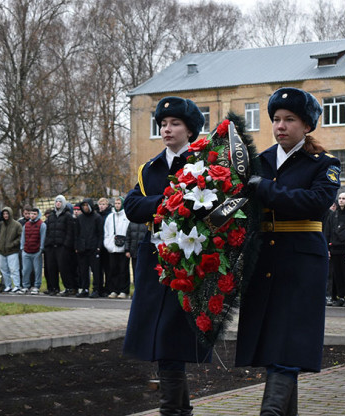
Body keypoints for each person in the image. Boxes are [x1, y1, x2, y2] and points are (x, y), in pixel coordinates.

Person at [235, 87, 341, 415]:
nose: (280, 125)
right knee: (274, 346)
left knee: (287, 343)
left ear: (307, 125)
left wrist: (265, 188)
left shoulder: (323, 164)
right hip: (264, 259)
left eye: (289, 119)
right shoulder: (259, 161)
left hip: (300, 264)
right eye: (276, 119)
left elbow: (315, 203)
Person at [123, 95, 210, 414]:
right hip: (155, 260)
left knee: (173, 340)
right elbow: (131, 206)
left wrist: (170, 206)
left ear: (190, 130)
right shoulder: (150, 168)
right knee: (161, 342)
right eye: (162, 124)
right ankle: (176, 411)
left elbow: (213, 207)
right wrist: (172, 202)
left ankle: (173, 411)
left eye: (175, 124)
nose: (167, 129)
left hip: (191, 259)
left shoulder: (205, 165)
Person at [324, 192, 345, 307]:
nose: (341, 200)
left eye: (344, 198)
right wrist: (327, 249)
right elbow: (327, 233)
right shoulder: (333, 215)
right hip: (335, 250)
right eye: (339, 198)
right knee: (337, 275)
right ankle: (341, 296)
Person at [44, 195, 75, 296]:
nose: (58, 203)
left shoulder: (67, 216)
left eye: (60, 202)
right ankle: (54, 287)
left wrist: (66, 245)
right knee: (51, 268)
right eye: (56, 201)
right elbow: (48, 230)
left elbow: (70, 232)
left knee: (64, 268)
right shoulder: (51, 216)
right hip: (51, 246)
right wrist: (47, 244)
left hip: (62, 247)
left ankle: (69, 287)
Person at [75, 198, 103, 298]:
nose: (85, 207)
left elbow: (100, 234)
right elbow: (77, 234)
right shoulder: (80, 218)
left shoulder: (97, 217)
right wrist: (77, 246)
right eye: (83, 206)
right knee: (83, 270)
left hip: (94, 247)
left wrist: (99, 247)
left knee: (96, 271)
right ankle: (84, 288)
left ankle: (96, 289)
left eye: (87, 205)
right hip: (82, 248)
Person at [103, 196, 130, 299]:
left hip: (123, 248)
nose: (117, 205)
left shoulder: (126, 216)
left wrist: (127, 247)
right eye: (116, 203)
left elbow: (128, 232)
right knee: (113, 270)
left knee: (123, 270)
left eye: (119, 203)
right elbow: (106, 232)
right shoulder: (110, 217)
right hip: (112, 248)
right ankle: (114, 289)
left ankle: (124, 290)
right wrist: (108, 244)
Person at [0, 206, 23, 293]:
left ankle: (17, 285)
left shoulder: (17, 225)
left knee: (14, 269)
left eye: (7, 213)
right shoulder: (0, 225)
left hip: (12, 251)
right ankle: (8, 285)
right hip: (2, 251)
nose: (5, 215)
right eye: (4, 214)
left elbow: (20, 237)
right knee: (3, 270)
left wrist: (12, 244)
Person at [20, 207, 46, 294]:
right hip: (26, 251)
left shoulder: (42, 225)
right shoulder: (26, 225)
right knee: (26, 270)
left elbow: (43, 237)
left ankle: (36, 286)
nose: (32, 215)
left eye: (34, 214)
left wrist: (41, 249)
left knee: (37, 270)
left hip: (36, 251)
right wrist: (22, 248)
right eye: (31, 214)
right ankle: (25, 286)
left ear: (38, 215)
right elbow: (23, 237)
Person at [125, 219, 148, 296]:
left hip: (144, 252)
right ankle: (136, 291)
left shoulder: (147, 223)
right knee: (135, 272)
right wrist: (127, 250)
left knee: (143, 273)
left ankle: (143, 291)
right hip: (134, 252)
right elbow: (128, 237)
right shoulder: (131, 223)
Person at [96, 197, 112, 298]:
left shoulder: (109, 215)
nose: (101, 206)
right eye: (100, 204)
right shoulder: (96, 215)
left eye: (103, 204)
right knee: (98, 269)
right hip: (98, 244)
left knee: (108, 268)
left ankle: (108, 288)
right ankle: (99, 288)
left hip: (107, 244)